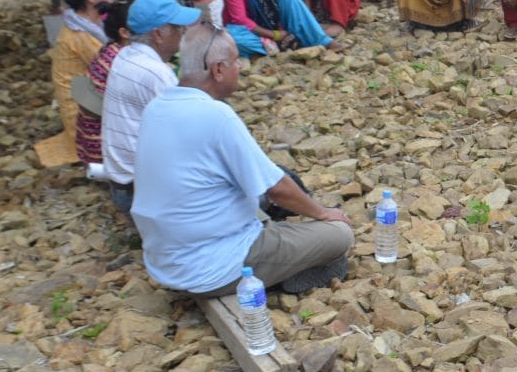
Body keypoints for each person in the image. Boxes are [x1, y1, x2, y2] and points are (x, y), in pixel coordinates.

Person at [132, 24, 354, 296]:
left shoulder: (157, 106)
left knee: (272, 181)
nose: (241, 67)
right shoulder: (215, 115)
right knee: (340, 234)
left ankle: (285, 254)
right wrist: (323, 213)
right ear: (217, 69)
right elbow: (277, 188)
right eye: (236, 61)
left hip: (165, 261)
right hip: (210, 269)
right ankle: (289, 273)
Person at [102, 0, 201, 212]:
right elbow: (191, 136)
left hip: (123, 186)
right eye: (178, 28)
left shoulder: (125, 55)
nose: (184, 32)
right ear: (158, 34)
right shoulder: (155, 73)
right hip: (143, 194)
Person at [35, 0, 118, 167]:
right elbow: (117, 68)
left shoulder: (84, 25)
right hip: (81, 107)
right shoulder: (80, 36)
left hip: (85, 94)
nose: (114, 3)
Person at [74, 0, 131, 166]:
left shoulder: (108, 49)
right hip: (105, 150)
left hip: (89, 144)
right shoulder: (122, 61)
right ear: (124, 33)